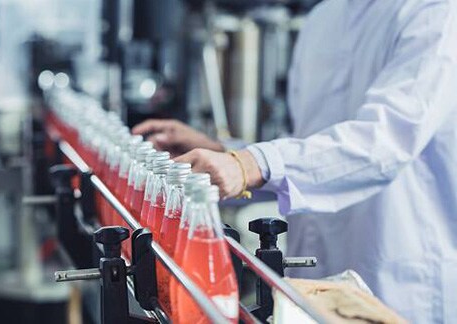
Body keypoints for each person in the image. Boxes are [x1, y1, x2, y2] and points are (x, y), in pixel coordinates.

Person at [132, 0, 457, 322]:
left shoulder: (436, 13)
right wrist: (223, 153)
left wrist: (248, 164)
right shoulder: (323, 18)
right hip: (313, 276)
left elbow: (383, 144)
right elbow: (308, 151)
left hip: (402, 277)